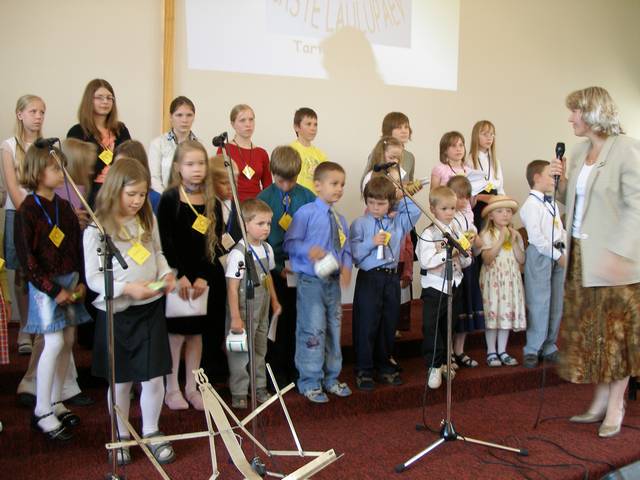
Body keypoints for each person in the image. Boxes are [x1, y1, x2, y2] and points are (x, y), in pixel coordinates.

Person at [551, 86, 640, 438]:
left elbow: (637, 207)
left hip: (615, 263)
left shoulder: (626, 149)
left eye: (574, 111)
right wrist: (559, 183)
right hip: (582, 259)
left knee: (616, 336)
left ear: (592, 113)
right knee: (594, 335)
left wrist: (620, 252)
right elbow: (575, 202)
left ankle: (616, 405)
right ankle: (599, 401)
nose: (569, 118)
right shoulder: (578, 152)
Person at [86, 158, 176, 465]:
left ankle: (151, 430)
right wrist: (127, 288)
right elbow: (94, 278)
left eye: (142, 194)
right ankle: (121, 434)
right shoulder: (97, 228)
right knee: (121, 381)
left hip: (149, 309)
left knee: (154, 378)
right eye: (131, 194)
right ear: (115, 190)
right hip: (118, 313)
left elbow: (157, 253)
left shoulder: (147, 219)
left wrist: (165, 274)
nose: (138, 200)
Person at [15, 145, 92, 441]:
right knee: (54, 341)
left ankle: (57, 400)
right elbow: (28, 260)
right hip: (45, 287)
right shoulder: (27, 210)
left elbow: (76, 246)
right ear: (37, 172)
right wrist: (52, 289)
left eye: (63, 168)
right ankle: (42, 409)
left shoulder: (63, 207)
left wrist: (81, 280)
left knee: (68, 341)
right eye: (55, 169)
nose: (62, 174)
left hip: (69, 281)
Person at [157, 140, 222, 411]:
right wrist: (180, 275)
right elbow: (166, 241)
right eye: (190, 164)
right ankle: (171, 388)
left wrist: (204, 276)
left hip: (202, 280)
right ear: (177, 167)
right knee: (176, 337)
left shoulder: (212, 201)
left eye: (201, 163)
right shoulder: (170, 199)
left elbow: (214, 244)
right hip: (178, 278)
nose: (196, 169)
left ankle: (192, 387)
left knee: (196, 336)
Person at [284, 162, 352, 403]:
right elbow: (290, 243)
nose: (339, 189)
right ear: (318, 185)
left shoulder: (340, 219)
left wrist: (346, 267)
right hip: (311, 282)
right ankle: (310, 381)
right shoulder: (306, 213)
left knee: (334, 329)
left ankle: (331, 377)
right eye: (334, 184)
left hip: (332, 283)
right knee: (312, 329)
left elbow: (345, 249)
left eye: (342, 184)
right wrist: (307, 250)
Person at [350, 177, 420, 390]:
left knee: (388, 322)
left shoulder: (397, 222)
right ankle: (364, 369)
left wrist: (396, 200)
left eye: (380, 203)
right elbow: (354, 254)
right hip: (370, 277)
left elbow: (415, 210)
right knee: (367, 323)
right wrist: (371, 243)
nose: (375, 207)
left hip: (391, 277)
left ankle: (384, 365)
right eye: (371, 202)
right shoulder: (360, 224)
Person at [257, 146, 315, 387]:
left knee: (298, 319)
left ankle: (295, 367)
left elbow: (315, 233)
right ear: (273, 173)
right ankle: (275, 370)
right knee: (276, 320)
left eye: (291, 181)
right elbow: (259, 240)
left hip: (300, 269)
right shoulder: (263, 199)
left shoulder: (308, 197)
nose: (286, 186)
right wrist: (278, 266)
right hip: (274, 270)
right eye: (281, 181)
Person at [225, 199, 281, 408]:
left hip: (262, 307)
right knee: (240, 352)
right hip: (243, 308)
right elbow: (232, 288)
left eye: (268, 223)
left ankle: (258, 386)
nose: (266, 228)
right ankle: (239, 390)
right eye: (260, 223)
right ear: (245, 224)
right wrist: (235, 317)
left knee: (259, 348)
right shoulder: (238, 253)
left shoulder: (267, 249)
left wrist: (274, 300)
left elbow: (268, 277)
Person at [1, 94, 45, 355]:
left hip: (43, 214)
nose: (38, 117)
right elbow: (12, 185)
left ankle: (40, 325)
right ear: (20, 114)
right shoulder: (8, 146)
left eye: (42, 112)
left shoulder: (46, 147)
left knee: (40, 270)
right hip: (18, 214)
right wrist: (29, 212)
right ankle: (25, 328)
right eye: (33, 111)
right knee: (21, 271)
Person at [417, 187, 472, 389]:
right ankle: (433, 365)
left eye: (452, 208)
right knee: (431, 326)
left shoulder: (456, 231)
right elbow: (426, 261)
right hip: (435, 287)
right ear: (433, 209)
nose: (449, 213)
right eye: (444, 208)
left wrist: (465, 253)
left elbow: (466, 261)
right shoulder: (428, 233)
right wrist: (449, 253)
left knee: (448, 325)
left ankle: (445, 362)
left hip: (454, 284)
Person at [519, 160, 566, 369]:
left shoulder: (552, 203)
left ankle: (549, 345)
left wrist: (564, 251)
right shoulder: (531, 205)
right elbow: (536, 238)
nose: (555, 178)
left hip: (557, 254)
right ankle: (532, 348)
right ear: (537, 178)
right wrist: (557, 255)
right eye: (550, 174)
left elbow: (559, 230)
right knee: (540, 302)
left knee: (556, 302)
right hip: (541, 254)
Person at [67, 78, 131, 207]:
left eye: (109, 98)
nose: (105, 102)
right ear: (89, 100)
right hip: (90, 190)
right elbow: (82, 170)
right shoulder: (77, 132)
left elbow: (128, 162)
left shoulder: (121, 129)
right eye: (100, 97)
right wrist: (110, 156)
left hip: (119, 186)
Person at [479, 195, 526, 367]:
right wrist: (500, 240)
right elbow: (487, 259)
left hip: (510, 280)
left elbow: (521, 259)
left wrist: (513, 242)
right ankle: (491, 351)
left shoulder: (516, 234)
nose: (505, 214)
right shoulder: (486, 235)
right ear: (491, 216)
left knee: (506, 313)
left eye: (508, 211)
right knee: (493, 313)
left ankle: (502, 350)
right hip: (494, 281)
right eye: (499, 211)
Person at [447, 176, 484, 368]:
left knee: (467, 307)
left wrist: (476, 240)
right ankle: (449, 352)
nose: (462, 201)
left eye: (465, 197)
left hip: (469, 267)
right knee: (455, 311)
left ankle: (460, 349)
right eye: (458, 197)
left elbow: (477, 247)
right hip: (456, 268)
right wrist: (464, 242)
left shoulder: (468, 217)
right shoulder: (448, 218)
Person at [216, 104, 271, 201]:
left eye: (251, 119)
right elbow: (219, 183)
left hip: (257, 205)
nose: (248, 124)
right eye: (242, 120)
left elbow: (268, 187)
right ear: (233, 124)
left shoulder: (262, 153)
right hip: (233, 204)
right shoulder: (224, 149)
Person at [148, 96, 197, 193]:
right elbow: (154, 178)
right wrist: (167, 198)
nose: (184, 120)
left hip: (192, 197)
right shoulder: (158, 144)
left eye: (189, 115)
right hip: (164, 197)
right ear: (171, 117)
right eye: (179, 115)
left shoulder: (199, 145)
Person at [468, 121, 505, 231]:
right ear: (476, 136)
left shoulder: (495, 161)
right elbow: (469, 190)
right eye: (485, 134)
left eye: (492, 134)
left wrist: (503, 205)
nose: (489, 138)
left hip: (495, 202)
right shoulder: (469, 161)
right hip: (478, 204)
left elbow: (500, 188)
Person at [114, 140, 161, 214]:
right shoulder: (109, 196)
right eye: (117, 166)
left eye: (125, 166)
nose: (120, 171)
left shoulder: (155, 199)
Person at [290, 107, 327, 193]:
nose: (313, 128)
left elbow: (326, 179)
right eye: (308, 124)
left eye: (315, 124)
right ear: (296, 127)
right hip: (297, 197)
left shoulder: (320, 154)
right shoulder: (290, 151)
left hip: (315, 198)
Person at [380, 112, 415, 181]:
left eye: (406, 127)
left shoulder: (410, 157)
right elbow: (368, 184)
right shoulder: (379, 153)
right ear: (388, 130)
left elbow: (410, 182)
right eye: (399, 127)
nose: (404, 131)